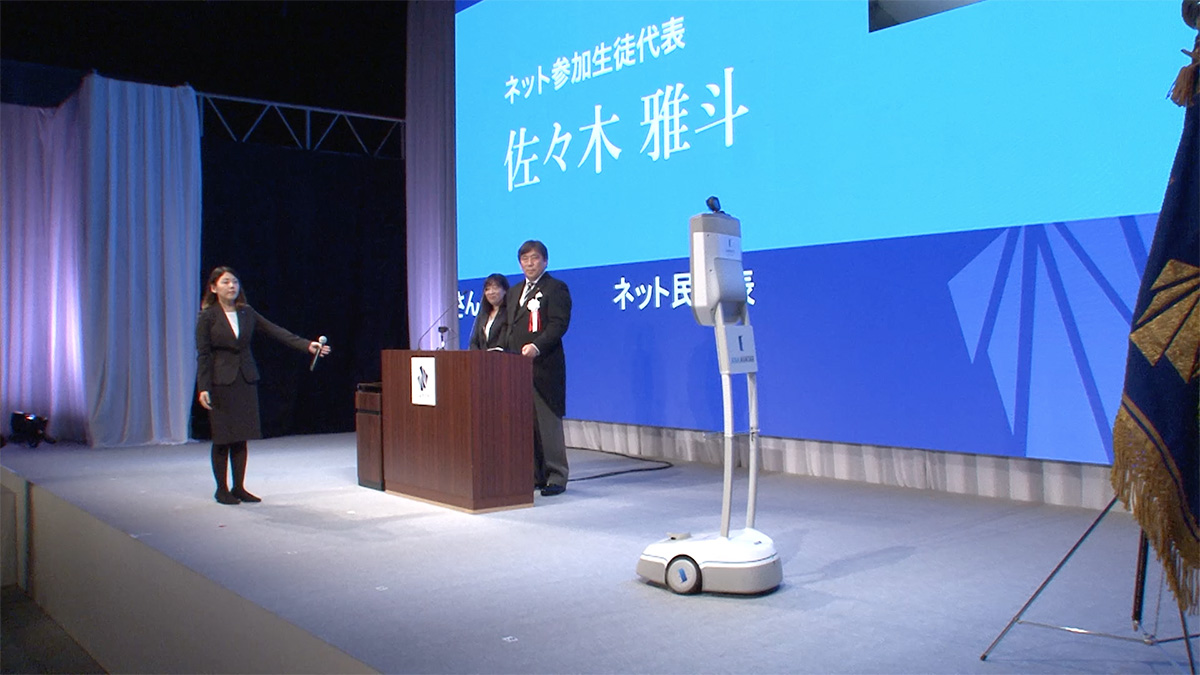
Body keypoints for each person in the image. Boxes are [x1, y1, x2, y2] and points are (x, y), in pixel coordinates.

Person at [195, 266, 330, 505]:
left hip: (245, 379)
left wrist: (306, 345)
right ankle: (221, 489)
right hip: (220, 381)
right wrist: (203, 387)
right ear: (214, 288)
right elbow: (203, 354)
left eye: (235, 282)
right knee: (223, 437)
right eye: (226, 282)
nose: (232, 286)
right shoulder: (207, 316)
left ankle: (239, 487)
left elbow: (275, 330)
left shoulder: (246, 312)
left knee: (241, 436)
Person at [505, 240, 572, 496]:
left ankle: (556, 476)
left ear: (545, 261)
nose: (529, 264)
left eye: (534, 258)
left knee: (547, 423)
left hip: (545, 367)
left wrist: (536, 346)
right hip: (517, 367)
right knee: (526, 424)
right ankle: (536, 475)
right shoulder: (514, 291)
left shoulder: (555, 288)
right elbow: (509, 326)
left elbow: (558, 324)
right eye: (525, 259)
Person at [467, 273, 510, 350]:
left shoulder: (509, 313)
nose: (491, 292)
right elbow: (474, 342)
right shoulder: (483, 315)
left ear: (505, 290)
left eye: (495, 288)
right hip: (481, 357)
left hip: (501, 356)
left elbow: (502, 343)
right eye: (487, 289)